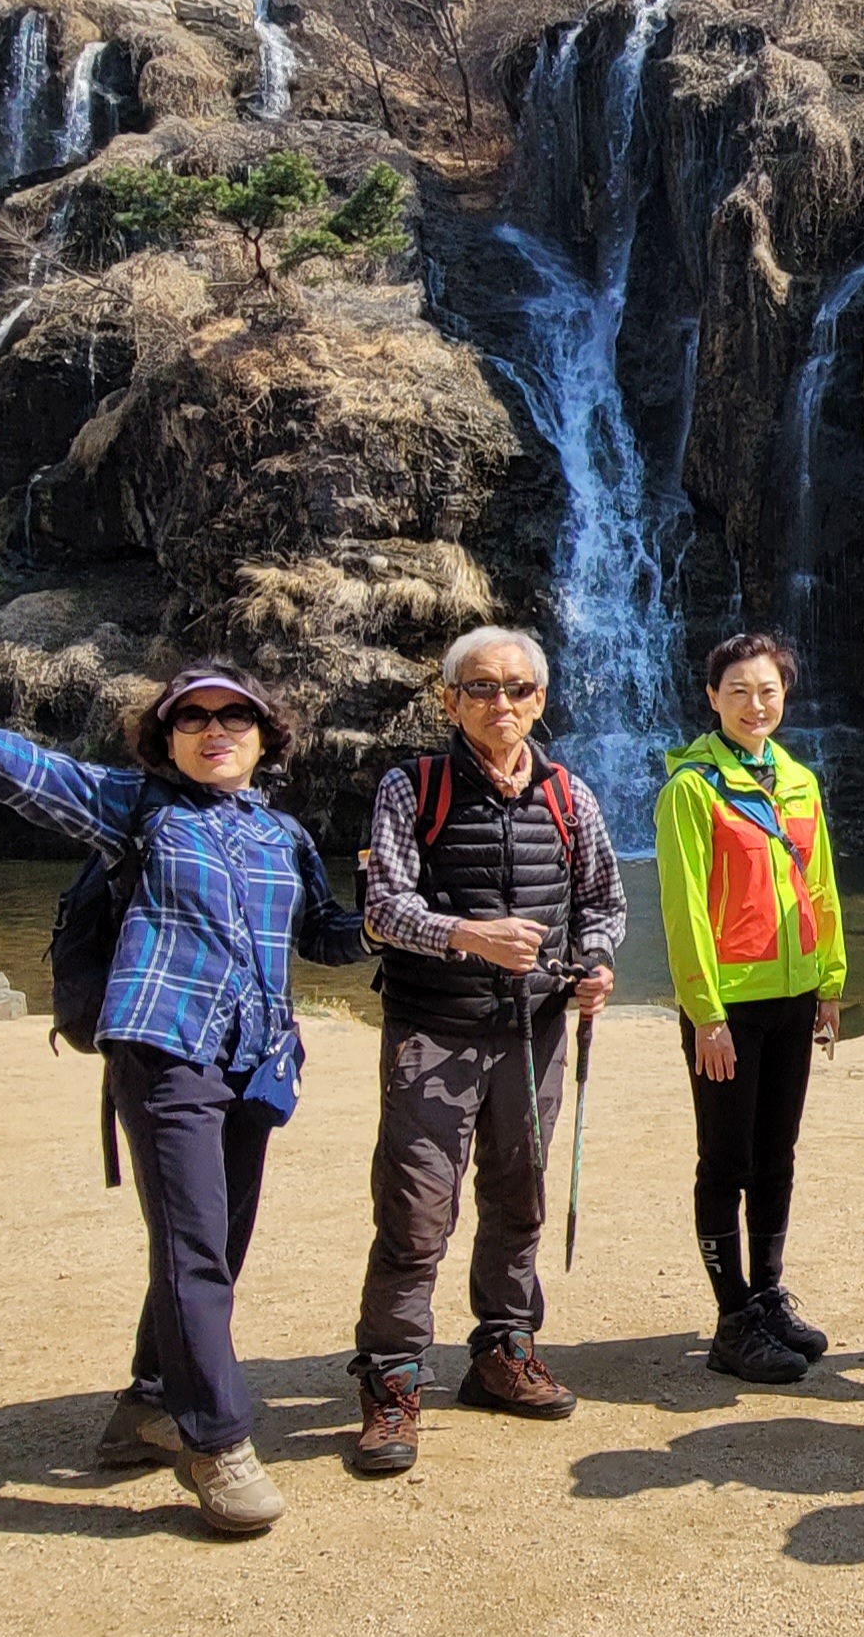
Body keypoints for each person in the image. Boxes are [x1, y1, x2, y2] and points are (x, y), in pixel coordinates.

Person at [0, 636, 367, 1538]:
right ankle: (216, 1442)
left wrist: (396, 914)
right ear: (165, 739)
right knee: (194, 1247)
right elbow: (11, 766)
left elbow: (324, 937)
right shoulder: (133, 806)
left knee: (214, 1246)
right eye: (193, 717)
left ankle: (147, 1404)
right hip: (163, 1049)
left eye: (234, 716)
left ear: (265, 736)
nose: (214, 729)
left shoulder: (282, 836)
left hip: (255, 1060)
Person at [348, 625, 624, 1477]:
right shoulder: (412, 788)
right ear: (449, 700)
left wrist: (597, 965)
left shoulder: (570, 796)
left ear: (540, 699)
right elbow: (381, 909)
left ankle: (504, 1348)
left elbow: (603, 904)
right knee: (415, 1210)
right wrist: (468, 935)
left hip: (533, 1033)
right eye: (480, 687)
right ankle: (393, 1379)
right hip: (432, 1031)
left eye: (517, 688)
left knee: (520, 1197)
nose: (500, 702)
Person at [655, 632, 847, 1384]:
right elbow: (684, 912)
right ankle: (732, 1318)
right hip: (728, 1009)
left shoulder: (799, 781)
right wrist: (705, 1014)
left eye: (767, 690)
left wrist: (831, 983)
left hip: (793, 999)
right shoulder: (692, 789)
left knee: (777, 1156)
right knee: (726, 1160)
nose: (754, 704)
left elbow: (821, 886)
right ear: (712, 697)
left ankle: (767, 1295)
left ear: (784, 694)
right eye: (737, 690)